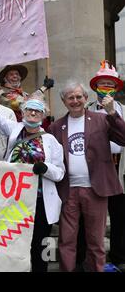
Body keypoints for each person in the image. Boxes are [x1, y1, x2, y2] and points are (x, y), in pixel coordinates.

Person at [0, 77, 65, 272]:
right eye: (29, 109)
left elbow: (59, 173)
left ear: (43, 115)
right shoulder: (14, 130)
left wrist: (45, 168)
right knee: (13, 244)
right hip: (14, 201)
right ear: (23, 112)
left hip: (40, 203)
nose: (33, 113)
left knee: (40, 246)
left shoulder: (51, 141)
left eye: (37, 110)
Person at [49, 81, 125, 272]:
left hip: (95, 189)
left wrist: (113, 113)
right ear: (64, 101)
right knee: (67, 241)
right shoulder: (56, 127)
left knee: (96, 241)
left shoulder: (101, 120)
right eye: (70, 98)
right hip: (68, 191)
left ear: (86, 98)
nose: (75, 101)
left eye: (78, 97)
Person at [76, 61, 125, 271]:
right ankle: (86, 259)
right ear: (95, 87)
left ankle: (118, 256)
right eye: (102, 84)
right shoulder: (85, 110)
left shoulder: (123, 110)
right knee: (88, 216)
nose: (106, 88)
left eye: (110, 84)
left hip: (118, 168)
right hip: (93, 169)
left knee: (119, 215)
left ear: (115, 88)